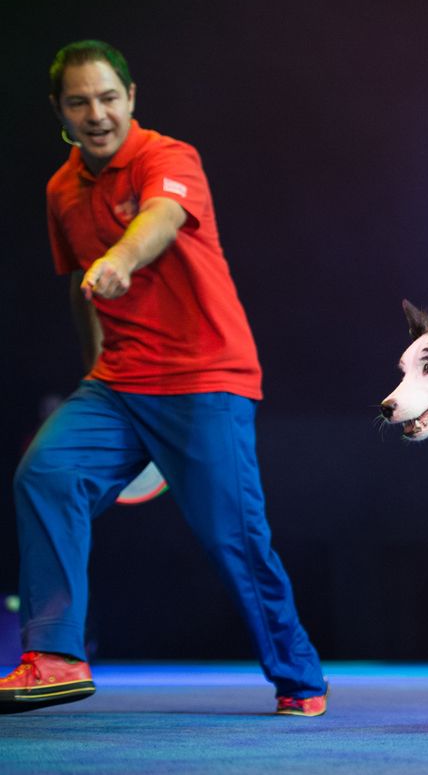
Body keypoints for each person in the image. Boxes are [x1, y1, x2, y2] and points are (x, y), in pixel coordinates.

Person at [0, 40, 327, 716]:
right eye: (79, 102)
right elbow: (81, 285)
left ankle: (299, 677)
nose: (97, 114)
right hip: (118, 383)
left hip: (206, 376)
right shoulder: (61, 189)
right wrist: (93, 365)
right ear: (60, 110)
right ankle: (55, 656)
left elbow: (161, 218)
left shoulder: (168, 158)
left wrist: (121, 259)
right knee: (45, 473)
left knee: (235, 538)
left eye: (108, 98)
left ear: (131, 97)